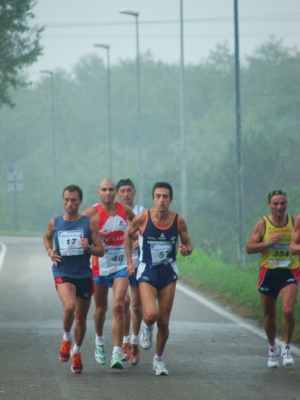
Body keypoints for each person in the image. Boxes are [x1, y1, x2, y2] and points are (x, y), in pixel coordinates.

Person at [124, 182, 193, 376]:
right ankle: (147, 327)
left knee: (163, 321)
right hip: (147, 270)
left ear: (171, 199)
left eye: (165, 196)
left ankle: (158, 360)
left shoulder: (178, 221)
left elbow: (188, 244)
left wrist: (186, 250)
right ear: (153, 199)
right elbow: (127, 237)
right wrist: (130, 262)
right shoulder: (142, 219)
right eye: (158, 196)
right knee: (151, 314)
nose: (162, 200)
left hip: (168, 272)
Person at [43, 184, 104, 374]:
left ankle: (76, 351)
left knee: (81, 319)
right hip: (63, 272)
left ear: (80, 201)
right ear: (62, 200)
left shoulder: (89, 223)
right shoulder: (55, 222)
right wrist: (50, 251)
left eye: (74, 200)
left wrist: (88, 247)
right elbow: (46, 238)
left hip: (84, 274)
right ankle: (66, 338)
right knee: (69, 306)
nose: (69, 203)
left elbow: (100, 250)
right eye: (66, 199)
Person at [82, 178, 135, 369]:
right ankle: (99, 341)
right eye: (104, 189)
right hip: (100, 266)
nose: (108, 193)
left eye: (111, 189)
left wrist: (137, 238)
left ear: (116, 192)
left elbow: (136, 228)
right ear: (98, 192)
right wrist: (95, 236)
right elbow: (76, 231)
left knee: (119, 305)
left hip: (120, 265)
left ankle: (116, 353)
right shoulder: (91, 213)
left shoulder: (124, 210)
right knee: (101, 309)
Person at [246, 190, 299, 368]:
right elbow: (249, 247)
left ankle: (286, 347)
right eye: (275, 203)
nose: (279, 207)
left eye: (282, 203)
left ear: (286, 204)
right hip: (268, 273)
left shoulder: (294, 222)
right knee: (269, 315)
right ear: (269, 205)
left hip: (289, 272)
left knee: (288, 311)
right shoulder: (263, 223)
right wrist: (267, 242)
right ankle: (271, 348)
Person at [116, 178, 145, 365]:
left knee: (135, 305)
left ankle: (134, 341)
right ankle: (125, 341)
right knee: (123, 302)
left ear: (134, 192)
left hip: (138, 262)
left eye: (129, 190)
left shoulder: (143, 213)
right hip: (117, 264)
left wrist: (140, 241)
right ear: (118, 194)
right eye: (122, 191)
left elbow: (150, 234)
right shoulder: (113, 213)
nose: (126, 194)